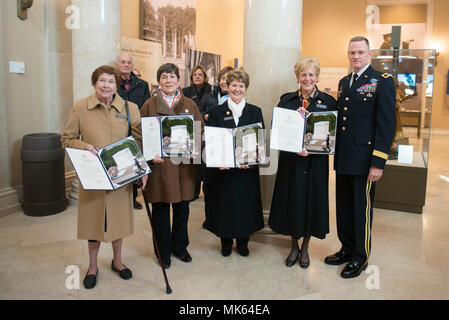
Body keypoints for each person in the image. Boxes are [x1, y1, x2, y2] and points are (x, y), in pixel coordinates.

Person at [61, 65, 147, 289]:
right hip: (93, 176)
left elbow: (138, 141)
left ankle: (118, 261)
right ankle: (92, 266)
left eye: (111, 81)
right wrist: (84, 146)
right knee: (93, 223)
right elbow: (67, 139)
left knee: (118, 221)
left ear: (117, 85)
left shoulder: (130, 108)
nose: (106, 85)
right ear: (94, 83)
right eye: (102, 81)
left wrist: (141, 170)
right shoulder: (80, 107)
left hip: (121, 175)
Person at [324, 36, 396, 278]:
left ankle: (361, 256)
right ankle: (346, 248)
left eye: (360, 52)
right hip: (344, 157)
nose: (356, 56)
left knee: (361, 209)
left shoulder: (382, 82)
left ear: (369, 54)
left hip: (365, 160)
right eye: (352, 52)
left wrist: (378, 162)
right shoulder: (345, 82)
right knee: (343, 207)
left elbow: (386, 125)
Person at [268, 57, 337, 269]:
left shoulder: (328, 102)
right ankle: (293, 245)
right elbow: (276, 130)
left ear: (317, 77)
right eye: (303, 74)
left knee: (311, 203)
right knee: (292, 202)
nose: (307, 78)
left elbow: (332, 135)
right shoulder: (287, 100)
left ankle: (305, 247)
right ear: (298, 77)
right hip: (291, 162)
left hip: (315, 164)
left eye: (311, 74)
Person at [140, 63, 204, 269]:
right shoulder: (149, 105)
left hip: (183, 165)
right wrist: (150, 154)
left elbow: (198, 130)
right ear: (159, 81)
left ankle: (180, 247)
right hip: (160, 167)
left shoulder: (189, 105)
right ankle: (163, 251)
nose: (169, 81)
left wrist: (196, 146)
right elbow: (141, 136)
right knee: (160, 209)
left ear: (179, 80)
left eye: (172, 77)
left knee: (182, 208)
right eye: (164, 77)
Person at [204, 68, 264, 257]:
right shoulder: (216, 112)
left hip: (246, 170)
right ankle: (226, 242)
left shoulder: (255, 111)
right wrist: (217, 161)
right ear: (227, 87)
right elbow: (211, 141)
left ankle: (244, 242)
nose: (237, 89)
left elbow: (259, 141)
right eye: (233, 85)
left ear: (246, 88)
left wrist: (252, 160)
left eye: (241, 85)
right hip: (224, 170)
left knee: (245, 205)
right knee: (225, 205)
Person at [116, 53, 151, 210]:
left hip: (136, 128)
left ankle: (133, 197)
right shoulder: (114, 83)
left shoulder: (142, 85)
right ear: (118, 64)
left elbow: (146, 106)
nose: (126, 64)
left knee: (135, 163)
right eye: (123, 62)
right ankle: (121, 197)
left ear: (132, 65)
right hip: (118, 128)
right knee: (121, 163)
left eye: (129, 62)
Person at [182, 65, 212, 200]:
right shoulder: (185, 91)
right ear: (191, 77)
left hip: (208, 130)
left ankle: (207, 191)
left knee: (206, 162)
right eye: (195, 75)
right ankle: (193, 192)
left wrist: (205, 115)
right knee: (193, 162)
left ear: (205, 77)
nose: (198, 77)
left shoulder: (212, 90)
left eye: (200, 75)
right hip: (192, 129)